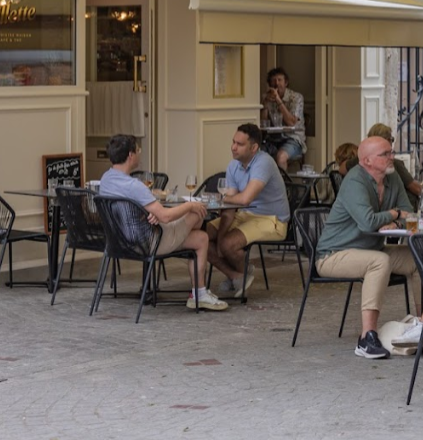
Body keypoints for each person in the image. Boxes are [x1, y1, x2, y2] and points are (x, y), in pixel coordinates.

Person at [316, 135, 423, 358]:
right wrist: (394, 213)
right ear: (367, 160)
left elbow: (409, 212)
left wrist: (396, 222)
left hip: (370, 249)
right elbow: (367, 222)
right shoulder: (354, 181)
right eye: (385, 154)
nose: (392, 157)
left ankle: (422, 327)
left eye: (391, 152)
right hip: (334, 254)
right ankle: (367, 338)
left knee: (419, 258)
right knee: (379, 261)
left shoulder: (392, 177)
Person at [98, 134, 228, 311]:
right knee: (196, 213)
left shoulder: (106, 179)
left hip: (121, 241)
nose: (139, 153)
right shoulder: (134, 186)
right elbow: (165, 217)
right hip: (149, 243)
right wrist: (190, 205)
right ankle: (199, 294)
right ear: (130, 155)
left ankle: (199, 293)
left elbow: (126, 209)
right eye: (138, 150)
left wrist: (148, 214)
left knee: (201, 238)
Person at [207, 125, 290, 298]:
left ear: (253, 148)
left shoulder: (264, 162)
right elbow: (229, 206)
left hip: (272, 219)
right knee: (201, 237)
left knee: (228, 244)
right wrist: (220, 236)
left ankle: (241, 271)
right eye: (233, 142)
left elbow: (245, 199)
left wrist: (219, 198)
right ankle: (236, 275)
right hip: (246, 215)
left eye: (239, 144)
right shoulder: (233, 166)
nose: (233, 147)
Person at [260, 67, 306, 170]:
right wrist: (265, 104)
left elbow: (291, 122)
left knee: (281, 157)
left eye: (279, 80)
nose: (276, 83)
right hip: (272, 139)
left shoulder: (296, 97)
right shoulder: (266, 97)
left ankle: (281, 181)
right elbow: (263, 123)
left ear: (286, 82)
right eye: (273, 80)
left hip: (292, 138)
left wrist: (278, 100)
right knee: (255, 155)